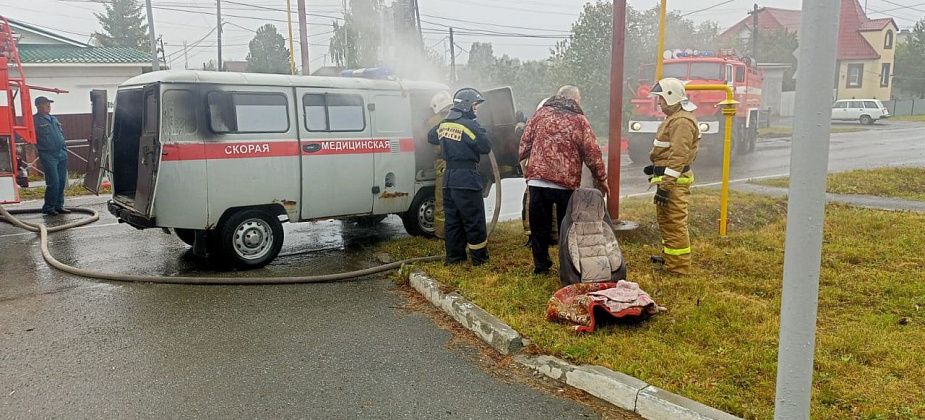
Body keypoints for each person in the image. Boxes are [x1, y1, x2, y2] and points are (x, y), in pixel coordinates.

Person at [519, 85, 608, 275]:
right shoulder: (579, 120)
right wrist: (601, 178)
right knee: (566, 227)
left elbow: (525, 141)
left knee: (539, 227)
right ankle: (567, 267)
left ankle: (541, 266)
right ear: (574, 99)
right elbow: (592, 152)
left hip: (538, 181)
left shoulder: (540, 114)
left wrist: (525, 163)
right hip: (565, 184)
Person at [427, 88, 492, 265]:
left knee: (453, 220)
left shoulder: (444, 123)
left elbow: (431, 137)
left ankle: (454, 258)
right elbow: (485, 146)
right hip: (467, 179)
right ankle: (479, 259)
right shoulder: (470, 125)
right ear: (466, 106)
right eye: (475, 105)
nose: (476, 109)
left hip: (448, 179)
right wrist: (477, 127)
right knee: (474, 219)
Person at [646, 77, 701, 275]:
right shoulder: (676, 119)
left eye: (661, 99)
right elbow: (668, 152)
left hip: (674, 183)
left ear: (671, 97)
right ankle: (671, 259)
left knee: (675, 223)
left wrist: (666, 185)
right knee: (667, 221)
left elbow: (679, 156)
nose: (659, 103)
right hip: (670, 181)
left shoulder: (682, 122)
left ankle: (678, 268)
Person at [33, 96, 70, 216]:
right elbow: (31, 138)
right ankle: (49, 207)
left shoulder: (54, 119)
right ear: (38, 106)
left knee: (61, 181)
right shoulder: (35, 121)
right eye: (45, 104)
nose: (49, 106)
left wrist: (64, 148)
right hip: (48, 154)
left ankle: (59, 206)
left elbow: (60, 134)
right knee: (53, 181)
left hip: (61, 153)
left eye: (49, 104)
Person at [426, 91, 454, 239]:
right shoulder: (455, 119)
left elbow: (429, 139)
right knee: (453, 198)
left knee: (442, 199)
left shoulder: (433, 121)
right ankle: (451, 233)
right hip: (452, 161)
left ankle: (442, 233)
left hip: (442, 162)